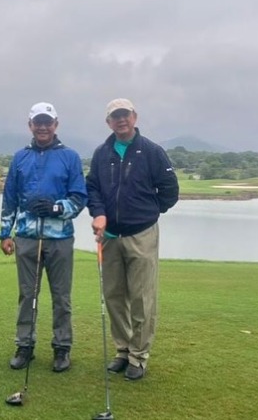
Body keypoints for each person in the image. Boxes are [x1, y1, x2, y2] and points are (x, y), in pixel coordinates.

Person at [86, 98, 179, 381]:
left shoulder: (151, 151)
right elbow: (92, 188)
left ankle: (139, 356)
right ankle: (123, 350)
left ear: (134, 117)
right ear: (109, 122)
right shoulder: (102, 153)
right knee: (114, 297)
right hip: (109, 236)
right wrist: (99, 213)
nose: (121, 120)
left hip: (141, 234)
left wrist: (148, 212)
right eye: (115, 116)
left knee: (141, 298)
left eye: (125, 114)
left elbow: (169, 190)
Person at [0, 102, 87, 373]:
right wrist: (5, 233)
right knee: (27, 295)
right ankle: (25, 346)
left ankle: (62, 347)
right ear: (30, 125)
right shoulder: (20, 158)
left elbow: (79, 198)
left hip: (60, 238)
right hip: (26, 236)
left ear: (55, 124)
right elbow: (10, 198)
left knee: (61, 296)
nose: (43, 127)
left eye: (47, 122)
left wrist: (56, 208)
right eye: (38, 122)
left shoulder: (70, 156)